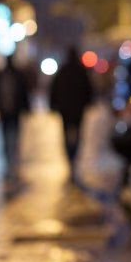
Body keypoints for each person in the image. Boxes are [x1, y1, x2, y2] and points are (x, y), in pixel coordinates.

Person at [49, 46, 93, 182]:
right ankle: (73, 156)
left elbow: (54, 89)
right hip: (77, 109)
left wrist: (54, 104)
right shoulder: (80, 71)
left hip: (66, 109)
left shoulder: (64, 71)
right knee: (77, 133)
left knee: (66, 133)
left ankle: (70, 156)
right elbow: (89, 90)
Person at [0, 55, 31, 179]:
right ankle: (10, 158)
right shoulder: (12, 75)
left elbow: (23, 92)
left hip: (10, 111)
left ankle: (10, 158)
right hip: (9, 112)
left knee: (9, 135)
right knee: (10, 135)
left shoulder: (7, 75)